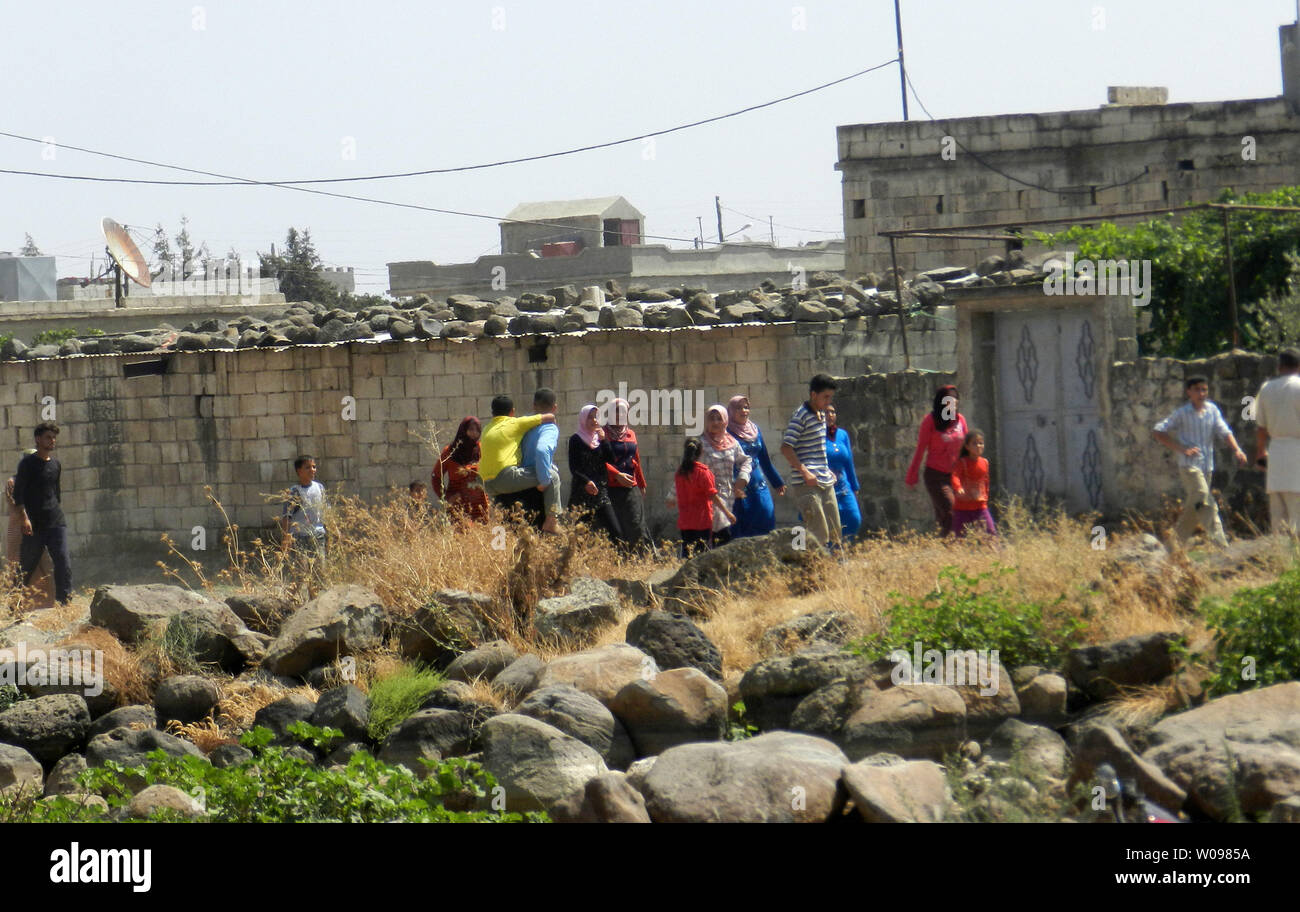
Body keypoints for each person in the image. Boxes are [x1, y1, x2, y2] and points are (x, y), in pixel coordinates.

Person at [1152, 376, 1248, 548]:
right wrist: (1181, 448)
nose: (1201, 393)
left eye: (1204, 389)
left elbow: (1225, 431)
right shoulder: (1182, 413)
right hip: (1189, 465)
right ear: (1189, 392)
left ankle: (1173, 546)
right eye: (1197, 389)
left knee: (1195, 506)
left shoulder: (1212, 410)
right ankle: (1220, 544)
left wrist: (1237, 450)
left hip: (1207, 465)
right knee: (1204, 500)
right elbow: (1159, 431)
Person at [480, 395, 561, 533]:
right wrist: (543, 481)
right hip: (505, 477)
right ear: (512, 411)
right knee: (552, 476)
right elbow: (545, 417)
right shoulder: (514, 423)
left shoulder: (487, 428)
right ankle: (551, 522)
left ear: (492, 413)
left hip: (487, 484)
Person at [11, 423, 73, 605]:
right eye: (48, 437)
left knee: (63, 563)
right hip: (34, 526)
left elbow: (56, 494)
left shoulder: (56, 465)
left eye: (54, 437)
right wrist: (24, 519)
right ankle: (14, 604)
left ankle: (65, 603)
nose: (52, 440)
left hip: (56, 523)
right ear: (38, 439)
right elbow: (18, 495)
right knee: (26, 568)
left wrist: (55, 512)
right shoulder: (27, 464)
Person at [780, 374, 842, 550]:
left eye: (831, 397)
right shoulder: (801, 415)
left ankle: (834, 569)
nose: (828, 401)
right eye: (825, 397)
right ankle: (811, 569)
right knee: (817, 531)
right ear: (814, 395)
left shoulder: (822, 414)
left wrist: (825, 469)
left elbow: (817, 447)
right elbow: (786, 447)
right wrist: (804, 471)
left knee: (835, 528)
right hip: (806, 483)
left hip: (824, 479)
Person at [905, 385, 969, 536]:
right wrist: (911, 476)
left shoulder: (960, 421)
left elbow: (966, 450)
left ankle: (947, 548)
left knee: (948, 517)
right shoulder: (931, 421)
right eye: (948, 400)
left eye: (955, 400)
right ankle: (951, 547)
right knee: (951, 512)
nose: (952, 403)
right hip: (936, 476)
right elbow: (920, 449)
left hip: (955, 477)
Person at [726, 395, 786, 538]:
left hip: (759, 485)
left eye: (746, 407)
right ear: (731, 411)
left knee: (767, 516)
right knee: (744, 527)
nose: (744, 411)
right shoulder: (726, 432)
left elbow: (764, 458)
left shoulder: (755, 429)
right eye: (739, 408)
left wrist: (777, 481)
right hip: (740, 486)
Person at [1255, 348, 1300, 533]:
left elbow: (1260, 428)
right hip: (1296, 450)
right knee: (1296, 513)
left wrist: (1260, 453)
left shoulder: (1266, 389)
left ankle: (1281, 558)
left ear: (1279, 366)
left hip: (1275, 451)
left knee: (1278, 513)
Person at [669, 438, 734, 558]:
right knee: (701, 554)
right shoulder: (703, 472)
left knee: (687, 553)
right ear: (701, 452)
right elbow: (712, 495)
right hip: (701, 521)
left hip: (685, 521)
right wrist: (727, 513)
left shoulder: (680, 472)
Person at [6, 449, 55, 608]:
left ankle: (47, 606)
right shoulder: (13, 482)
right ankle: (17, 608)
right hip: (20, 532)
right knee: (20, 570)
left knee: (45, 567)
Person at [567, 405, 623, 542]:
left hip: (600, 492)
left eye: (596, 417)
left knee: (616, 533)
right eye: (590, 417)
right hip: (582, 492)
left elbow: (611, 460)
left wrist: (604, 440)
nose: (594, 420)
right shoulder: (576, 440)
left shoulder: (599, 440)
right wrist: (586, 481)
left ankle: (617, 562)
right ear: (583, 419)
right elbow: (574, 467)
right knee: (579, 537)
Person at [699, 404, 752, 548]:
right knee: (719, 536)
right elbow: (688, 469)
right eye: (711, 419)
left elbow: (746, 460)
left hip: (729, 496)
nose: (715, 422)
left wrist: (742, 478)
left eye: (719, 418)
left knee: (725, 536)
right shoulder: (700, 444)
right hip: (708, 498)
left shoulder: (732, 443)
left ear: (725, 421)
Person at [603, 398, 650, 550]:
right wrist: (616, 475)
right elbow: (598, 460)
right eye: (615, 410)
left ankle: (637, 561)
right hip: (610, 488)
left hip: (631, 487)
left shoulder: (630, 434)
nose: (619, 414)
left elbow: (636, 460)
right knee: (615, 526)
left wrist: (642, 484)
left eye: (622, 411)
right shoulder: (602, 434)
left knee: (636, 525)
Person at [431, 417, 489, 523]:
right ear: (463, 430)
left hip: (479, 506)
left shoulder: (482, 449)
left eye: (477, 430)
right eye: (471, 429)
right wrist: (447, 497)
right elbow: (436, 477)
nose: (474, 433)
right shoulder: (449, 452)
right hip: (457, 507)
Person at [279, 454, 328, 564]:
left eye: (314, 467)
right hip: (300, 536)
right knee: (303, 570)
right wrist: (286, 538)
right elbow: (287, 516)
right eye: (307, 467)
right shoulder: (295, 492)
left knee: (321, 568)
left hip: (318, 534)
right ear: (299, 471)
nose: (312, 470)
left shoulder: (319, 488)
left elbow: (326, 510)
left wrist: (334, 530)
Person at [824, 404, 862, 541]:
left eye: (832, 412)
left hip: (844, 485)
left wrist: (855, 487)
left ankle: (845, 547)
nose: (830, 415)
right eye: (826, 412)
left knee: (853, 518)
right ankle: (832, 553)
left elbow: (849, 462)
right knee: (830, 523)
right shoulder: (815, 436)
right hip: (826, 487)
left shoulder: (842, 435)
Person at [951, 429, 997, 538]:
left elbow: (986, 482)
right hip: (963, 508)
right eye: (974, 443)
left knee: (991, 534)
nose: (978, 446)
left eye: (981, 443)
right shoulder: (962, 462)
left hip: (980, 506)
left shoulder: (985, 463)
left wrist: (985, 497)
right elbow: (955, 476)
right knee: (959, 538)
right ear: (967, 447)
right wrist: (958, 488)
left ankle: (995, 554)